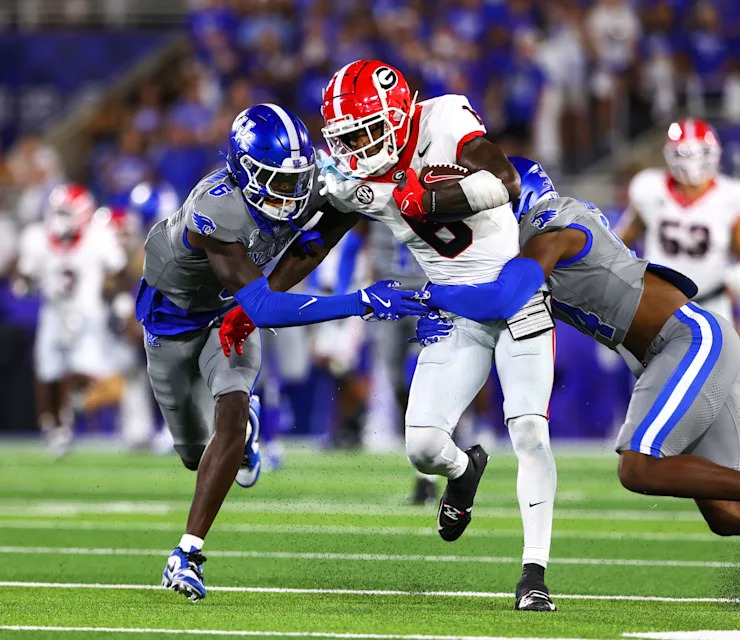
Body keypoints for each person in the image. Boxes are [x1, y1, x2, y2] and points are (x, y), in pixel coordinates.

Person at [417, 157, 740, 582]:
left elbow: (504, 296)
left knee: (638, 465)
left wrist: (425, 295)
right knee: (728, 513)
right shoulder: (553, 230)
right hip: (682, 347)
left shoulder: (551, 234)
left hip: (687, 340)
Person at [219, 61, 559, 611]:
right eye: (346, 137)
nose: (356, 147)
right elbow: (316, 244)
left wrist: (422, 199)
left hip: (515, 291)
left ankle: (534, 572)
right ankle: (465, 469)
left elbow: (505, 181)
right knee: (423, 446)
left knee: (527, 429)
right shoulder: (355, 177)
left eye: (364, 131)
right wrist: (257, 299)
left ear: (399, 114)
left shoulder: (444, 120)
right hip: (452, 305)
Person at [139, 103, 426, 602]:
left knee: (228, 418)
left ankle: (186, 553)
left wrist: (345, 206)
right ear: (243, 172)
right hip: (174, 324)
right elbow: (268, 308)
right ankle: (242, 437)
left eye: (297, 180)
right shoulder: (216, 211)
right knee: (193, 453)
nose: (292, 193)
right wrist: (359, 302)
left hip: (230, 314)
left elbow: (329, 226)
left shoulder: (309, 179)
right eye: (277, 180)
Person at [16, 184, 127, 456]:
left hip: (88, 313)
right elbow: (26, 274)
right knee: (47, 372)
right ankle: (52, 428)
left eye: (66, 211)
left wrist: (114, 297)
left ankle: (75, 404)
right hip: (53, 311)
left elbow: (117, 270)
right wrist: (26, 283)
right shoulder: (37, 237)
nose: (60, 218)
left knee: (86, 372)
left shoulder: (99, 236)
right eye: (58, 211)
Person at [617, 119, 740, 322]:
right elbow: (622, 239)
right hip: (658, 301)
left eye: (700, 152)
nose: (692, 160)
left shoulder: (731, 195)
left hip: (711, 302)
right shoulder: (650, 188)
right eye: (684, 153)